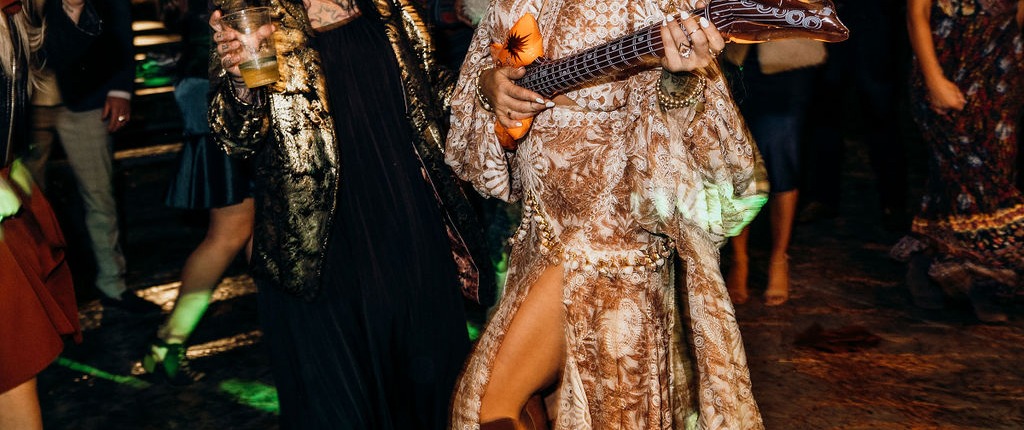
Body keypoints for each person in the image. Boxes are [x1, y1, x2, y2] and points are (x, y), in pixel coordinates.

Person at [445, 1, 768, 428]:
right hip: (539, 236)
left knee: (485, 406)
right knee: (544, 408)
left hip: (609, 253)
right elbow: (484, 74)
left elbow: (724, 173)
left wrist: (680, 84)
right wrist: (490, 85)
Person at [208, 0, 489, 426]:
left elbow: (433, 88)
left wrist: (491, 87)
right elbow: (234, 138)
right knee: (339, 408)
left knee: (428, 397)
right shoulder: (250, 10)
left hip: (408, 228)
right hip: (317, 247)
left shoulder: (387, 5)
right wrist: (239, 82)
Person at [137, 0, 255, 384]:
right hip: (221, 91)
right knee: (231, 231)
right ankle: (167, 342)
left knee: (255, 228)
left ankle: (289, 333)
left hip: (214, 83)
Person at [891, 0, 1023, 323]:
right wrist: (933, 80)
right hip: (947, 71)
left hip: (1000, 79)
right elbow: (917, 13)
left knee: (959, 181)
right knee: (977, 182)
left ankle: (926, 263)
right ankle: (984, 285)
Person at [0, 0, 96, 426]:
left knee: (15, 368)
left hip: (10, 201)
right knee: (16, 366)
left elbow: (56, 56)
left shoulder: (12, 17)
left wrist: (73, 7)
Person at [30, 0, 159, 313]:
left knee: (100, 194)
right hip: (25, 102)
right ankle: (34, 292)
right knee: (25, 204)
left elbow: (117, 15)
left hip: (86, 92)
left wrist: (120, 89)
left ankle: (113, 284)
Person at [720, 40, 825, 306]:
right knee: (737, 161)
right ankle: (739, 259)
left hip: (789, 59)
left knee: (782, 158)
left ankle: (779, 258)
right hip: (737, 58)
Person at [797, 0, 911, 232]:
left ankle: (894, 203)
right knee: (824, 112)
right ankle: (822, 197)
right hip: (827, 17)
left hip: (872, 19)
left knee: (880, 110)